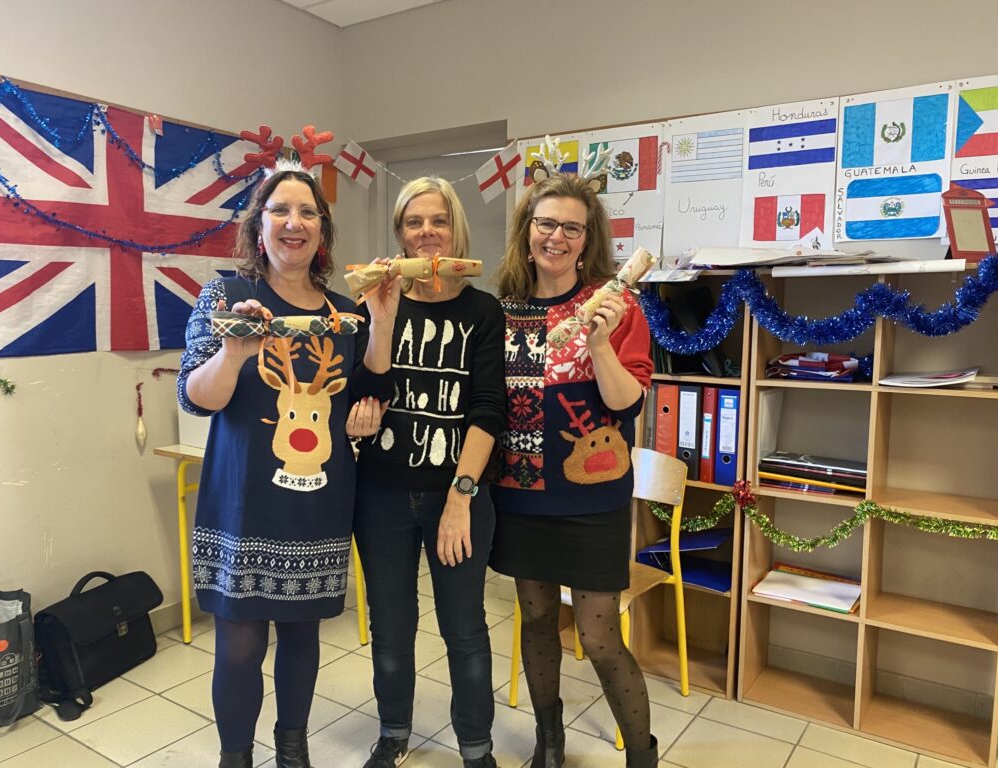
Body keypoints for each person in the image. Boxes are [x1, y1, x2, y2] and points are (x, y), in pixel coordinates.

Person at [177, 163, 400, 768]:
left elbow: (367, 393)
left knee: (302, 636)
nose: (293, 222)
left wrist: (380, 327)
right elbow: (195, 398)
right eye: (280, 210)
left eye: (307, 212)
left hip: (318, 498)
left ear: (322, 230)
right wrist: (234, 352)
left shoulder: (344, 312)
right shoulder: (225, 297)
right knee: (240, 646)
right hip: (242, 500)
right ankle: (235, 757)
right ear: (260, 224)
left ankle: (292, 748)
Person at [490, 174, 658, 768]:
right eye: (545, 223)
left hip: (592, 499)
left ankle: (642, 755)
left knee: (599, 636)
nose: (556, 237)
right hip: (520, 495)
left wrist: (601, 343)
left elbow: (626, 405)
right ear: (527, 231)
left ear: (588, 239)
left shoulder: (617, 306)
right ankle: (549, 742)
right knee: (536, 620)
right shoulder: (501, 312)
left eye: (571, 227)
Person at [353, 177, 505, 768]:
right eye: (414, 222)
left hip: (457, 494)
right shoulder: (375, 303)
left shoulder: (482, 311)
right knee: (391, 624)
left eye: (438, 220)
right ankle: (393, 733)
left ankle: (476, 748)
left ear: (455, 228)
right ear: (400, 233)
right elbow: (363, 392)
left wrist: (461, 497)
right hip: (382, 495)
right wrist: (381, 320)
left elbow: (488, 410)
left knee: (464, 626)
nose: (427, 232)